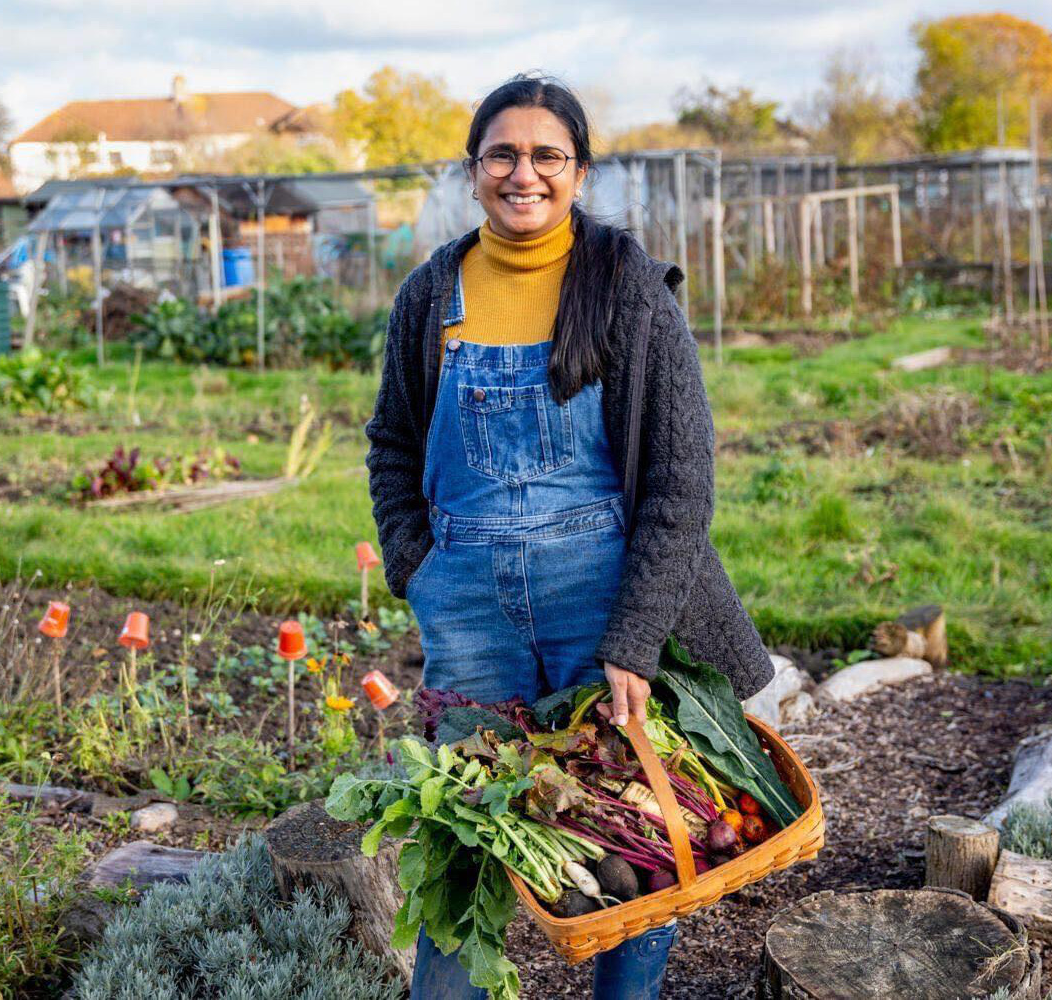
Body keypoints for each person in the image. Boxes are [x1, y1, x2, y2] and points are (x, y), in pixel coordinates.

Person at [363, 72, 776, 1000]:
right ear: (474, 172)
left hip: (603, 597)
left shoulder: (628, 289)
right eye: (503, 154)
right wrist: (414, 563)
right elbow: (391, 439)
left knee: (633, 838)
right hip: (468, 609)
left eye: (547, 155)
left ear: (580, 171)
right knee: (466, 840)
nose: (525, 174)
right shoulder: (431, 296)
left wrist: (633, 640)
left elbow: (680, 480)